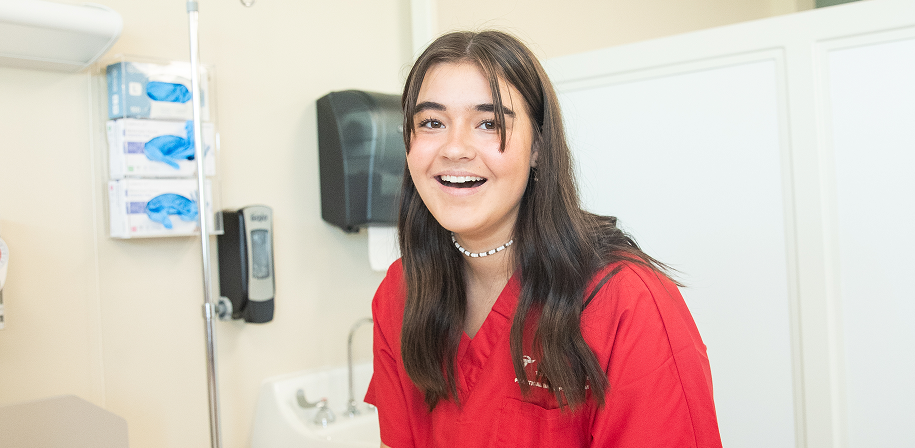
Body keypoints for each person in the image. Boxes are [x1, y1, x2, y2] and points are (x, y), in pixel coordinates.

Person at [364, 30, 722, 448]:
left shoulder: (627, 302)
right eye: (431, 123)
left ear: (538, 147)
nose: (455, 148)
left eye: (488, 122)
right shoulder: (402, 293)